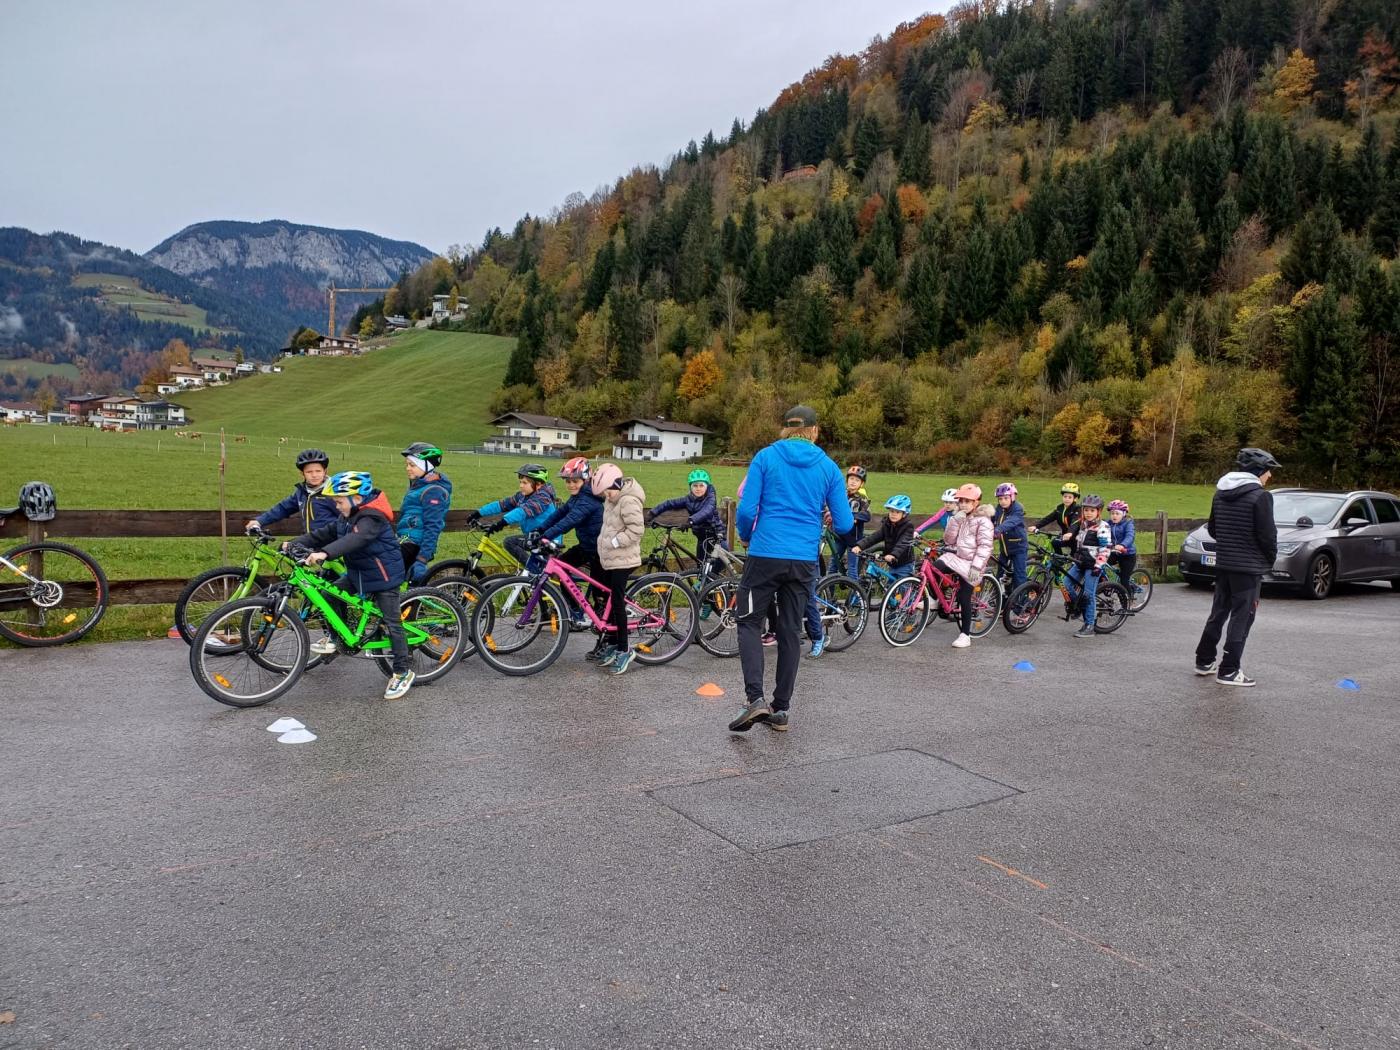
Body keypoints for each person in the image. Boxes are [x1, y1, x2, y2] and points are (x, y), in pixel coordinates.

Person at [728, 405, 854, 734]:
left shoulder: (766, 457)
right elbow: (845, 524)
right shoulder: (828, 467)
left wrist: (746, 535)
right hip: (803, 559)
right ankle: (781, 708)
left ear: (785, 429)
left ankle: (755, 698)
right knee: (789, 630)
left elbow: (747, 510)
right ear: (815, 431)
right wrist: (828, 518)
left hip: (765, 554)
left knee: (749, 622)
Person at [293, 470, 414, 700]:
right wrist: (294, 543)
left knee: (392, 623)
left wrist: (325, 553)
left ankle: (402, 671)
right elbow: (326, 533)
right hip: (359, 573)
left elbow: (355, 539)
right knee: (329, 596)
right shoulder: (346, 516)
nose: (337, 506)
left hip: (383, 576)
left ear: (356, 498)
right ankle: (339, 636)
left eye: (339, 501)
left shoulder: (372, 518)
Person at [1195, 448, 1280, 686]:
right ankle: (1229, 670)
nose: (1270, 475)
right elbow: (1267, 536)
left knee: (1218, 612)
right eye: (1268, 471)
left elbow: (1213, 529)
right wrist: (1269, 559)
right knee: (1242, 618)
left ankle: (1204, 661)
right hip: (1248, 568)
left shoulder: (1220, 493)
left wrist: (1230, 543)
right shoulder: (1261, 497)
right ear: (1259, 470)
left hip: (1224, 564)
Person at [539, 457, 607, 644]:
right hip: (587, 546)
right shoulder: (577, 497)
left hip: (600, 550)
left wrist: (546, 536)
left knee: (601, 597)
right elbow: (559, 514)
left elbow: (570, 521)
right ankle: (576, 612)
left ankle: (607, 632)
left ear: (585, 480)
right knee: (562, 567)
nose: (570, 485)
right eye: (567, 481)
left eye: (575, 481)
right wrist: (540, 529)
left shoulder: (588, 499)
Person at [592, 463, 646, 675]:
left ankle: (624, 649)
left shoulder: (628, 500)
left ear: (616, 484)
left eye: (608, 490)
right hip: (611, 559)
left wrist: (616, 542)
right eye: (603, 493)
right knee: (609, 599)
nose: (606, 495)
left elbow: (637, 530)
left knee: (617, 601)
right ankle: (614, 642)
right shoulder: (611, 499)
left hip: (624, 559)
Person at [463, 463, 559, 567]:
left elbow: (523, 511)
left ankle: (532, 569)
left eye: (525, 483)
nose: (521, 485)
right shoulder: (523, 496)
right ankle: (532, 570)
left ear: (538, 484)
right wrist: (479, 513)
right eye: (520, 482)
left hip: (548, 539)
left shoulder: (543, 498)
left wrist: (502, 523)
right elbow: (502, 505)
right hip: (535, 536)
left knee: (510, 542)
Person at [935, 484, 994, 649]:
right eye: (961, 501)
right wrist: (955, 520)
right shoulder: (960, 517)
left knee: (964, 596)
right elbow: (949, 540)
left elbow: (985, 547)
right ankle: (934, 599)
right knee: (936, 566)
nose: (963, 504)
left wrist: (976, 567)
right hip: (958, 558)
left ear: (976, 502)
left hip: (973, 564)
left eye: (967, 501)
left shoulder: (984, 521)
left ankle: (965, 635)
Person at [649, 468, 727, 576]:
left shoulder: (711, 498)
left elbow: (707, 511)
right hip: (702, 538)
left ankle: (716, 583)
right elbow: (670, 503)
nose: (698, 488)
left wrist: (690, 521)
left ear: (707, 486)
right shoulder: (688, 499)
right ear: (690, 487)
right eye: (695, 486)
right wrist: (653, 513)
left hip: (717, 537)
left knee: (716, 568)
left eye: (701, 485)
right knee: (700, 569)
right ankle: (706, 584)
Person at [245, 448, 337, 534]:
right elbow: (283, 508)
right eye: (309, 472)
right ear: (302, 474)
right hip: (309, 541)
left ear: (325, 471)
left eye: (318, 471)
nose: (314, 475)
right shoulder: (302, 492)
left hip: (331, 542)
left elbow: (344, 521)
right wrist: (259, 521)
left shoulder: (334, 493)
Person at [396, 442, 452, 584]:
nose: (407, 468)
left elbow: (433, 526)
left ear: (427, 466)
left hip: (415, 545)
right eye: (407, 464)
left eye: (412, 465)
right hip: (405, 540)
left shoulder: (433, 491)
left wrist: (422, 559)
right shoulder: (419, 486)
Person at [1064, 494, 1113, 639]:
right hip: (1080, 562)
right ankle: (1079, 606)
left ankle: (1089, 625)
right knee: (1066, 583)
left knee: (1088, 594)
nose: (1088, 513)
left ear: (1099, 511)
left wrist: (1099, 565)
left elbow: (1105, 549)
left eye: (1092, 510)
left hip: (1093, 565)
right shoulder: (1083, 524)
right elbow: (1080, 544)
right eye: (1086, 510)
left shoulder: (1103, 527)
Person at [851, 495, 917, 578]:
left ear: (904, 514)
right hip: (892, 563)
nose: (893, 514)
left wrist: (893, 555)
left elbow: (903, 543)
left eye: (897, 512)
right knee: (891, 584)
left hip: (904, 564)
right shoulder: (887, 524)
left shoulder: (908, 527)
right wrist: (860, 546)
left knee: (903, 585)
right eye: (891, 511)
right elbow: (875, 537)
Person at [826, 466, 871, 579]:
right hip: (839, 536)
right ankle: (829, 590)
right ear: (847, 480)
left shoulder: (862, 498)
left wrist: (854, 517)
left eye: (857, 480)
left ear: (861, 483)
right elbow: (834, 506)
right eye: (851, 479)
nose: (853, 482)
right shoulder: (841, 495)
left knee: (852, 569)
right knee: (833, 565)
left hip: (853, 539)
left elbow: (867, 514)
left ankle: (854, 590)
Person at [992, 482, 1029, 591]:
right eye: (1000, 499)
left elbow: (1011, 522)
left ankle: (1022, 600)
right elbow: (992, 520)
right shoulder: (999, 509)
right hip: (1005, 549)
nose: (1003, 501)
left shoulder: (1017, 509)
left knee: (1019, 576)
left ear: (1012, 497)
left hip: (1018, 548)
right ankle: (1000, 598)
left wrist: (998, 529)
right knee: (1000, 575)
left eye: (1006, 498)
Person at [1029, 483, 1082, 555]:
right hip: (1064, 536)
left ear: (1075, 498)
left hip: (1076, 538)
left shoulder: (1077, 509)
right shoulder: (1060, 508)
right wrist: (1036, 526)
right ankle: (1059, 559)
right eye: (1065, 496)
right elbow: (1048, 518)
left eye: (1070, 497)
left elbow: (1075, 523)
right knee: (1055, 543)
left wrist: (1070, 533)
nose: (1067, 499)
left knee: (1074, 556)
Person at [1107, 499, 1137, 592]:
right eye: (1112, 513)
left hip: (1127, 554)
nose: (1114, 516)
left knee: (1124, 580)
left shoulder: (1128, 523)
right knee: (1100, 566)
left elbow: (1130, 536)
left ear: (1123, 514)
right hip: (1114, 552)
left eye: (1117, 513)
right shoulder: (1108, 523)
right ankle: (1105, 585)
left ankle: (1129, 598)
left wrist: (1122, 545)